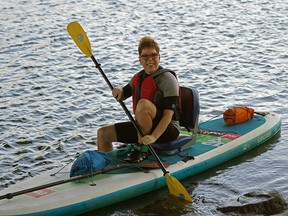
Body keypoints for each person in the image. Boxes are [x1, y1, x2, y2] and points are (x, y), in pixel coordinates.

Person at [97, 36, 181, 162]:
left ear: (159, 57)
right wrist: (119, 90)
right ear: (140, 60)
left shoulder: (168, 79)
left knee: (143, 105)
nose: (150, 60)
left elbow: (168, 116)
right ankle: (106, 166)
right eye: (145, 57)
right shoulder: (138, 77)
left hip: (167, 129)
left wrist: (153, 137)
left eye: (153, 55)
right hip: (142, 128)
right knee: (103, 133)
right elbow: (124, 92)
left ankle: (142, 149)